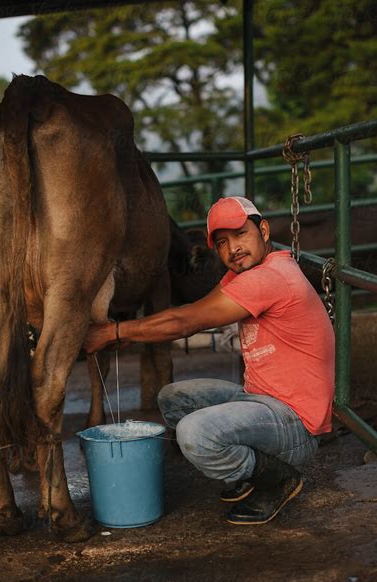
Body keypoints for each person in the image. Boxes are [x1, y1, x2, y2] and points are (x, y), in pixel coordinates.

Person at [83, 196, 335, 525]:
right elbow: (195, 311)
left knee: (194, 433)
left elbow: (188, 321)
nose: (233, 249)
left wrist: (113, 332)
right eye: (222, 242)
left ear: (263, 229)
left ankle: (277, 478)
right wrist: (127, 335)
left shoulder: (271, 278)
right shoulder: (246, 275)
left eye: (241, 235)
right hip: (260, 403)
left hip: (295, 426)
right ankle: (255, 466)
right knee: (173, 398)